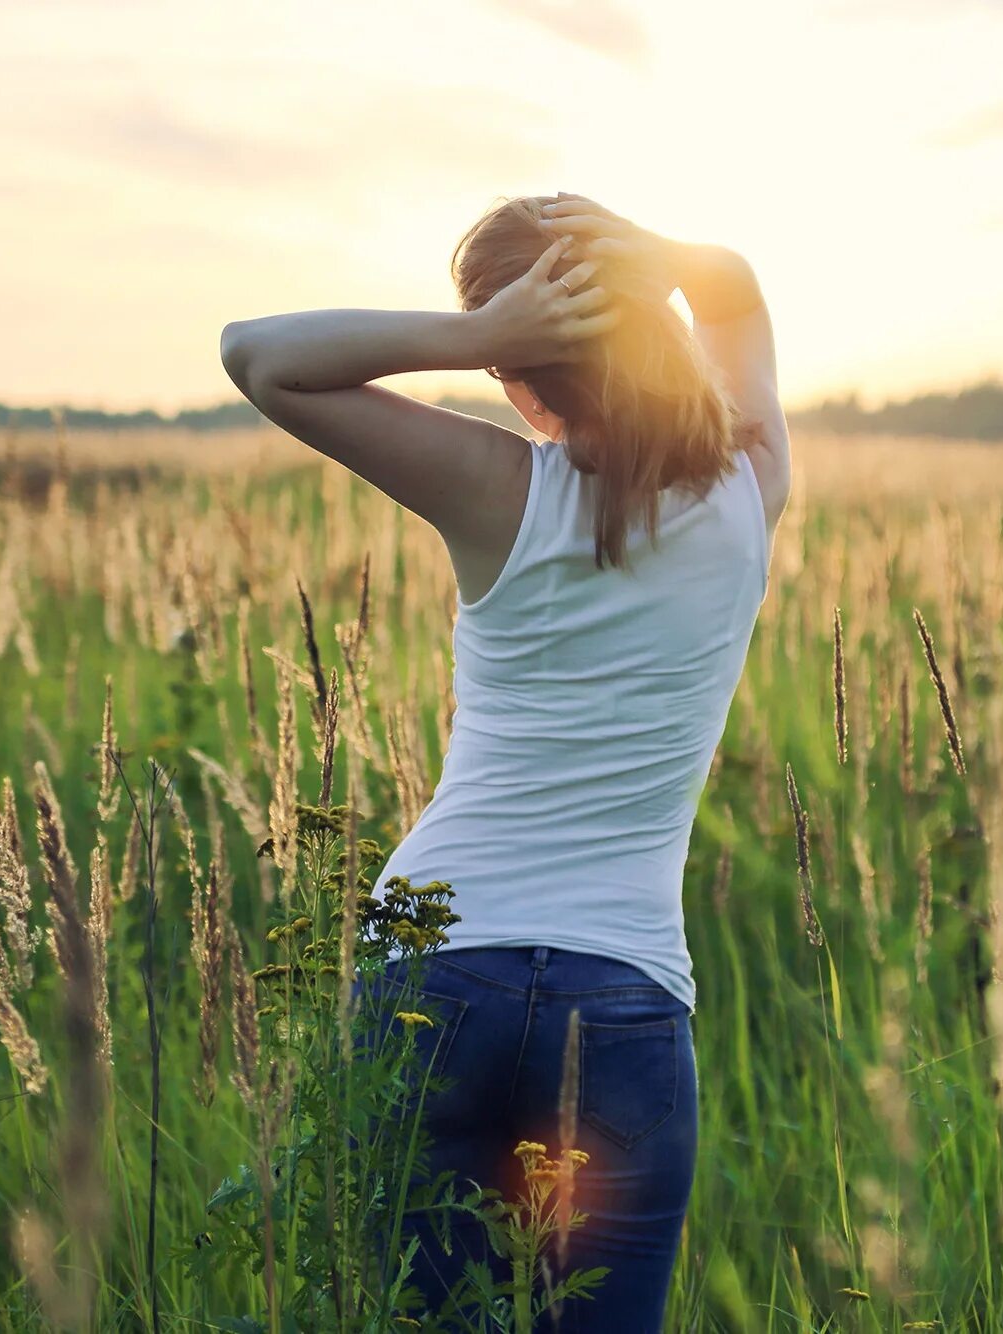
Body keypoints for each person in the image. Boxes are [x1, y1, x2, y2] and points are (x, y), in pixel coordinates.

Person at [220, 192, 788, 1331]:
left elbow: (258, 355)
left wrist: (475, 337)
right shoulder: (749, 490)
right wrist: (659, 261)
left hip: (436, 969)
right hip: (622, 999)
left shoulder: (498, 490)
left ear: (522, 367)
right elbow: (735, 293)